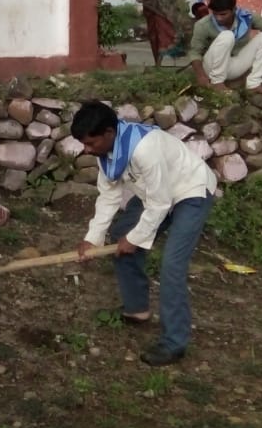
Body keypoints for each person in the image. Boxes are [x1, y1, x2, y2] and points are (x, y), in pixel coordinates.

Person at [71, 102, 216, 366]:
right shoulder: (107, 153)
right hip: (156, 191)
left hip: (190, 189)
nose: (87, 150)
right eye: (84, 144)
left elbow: (160, 203)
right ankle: (137, 309)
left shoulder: (144, 149)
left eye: (90, 143)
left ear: (109, 133)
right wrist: (93, 239)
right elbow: (109, 196)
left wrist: (135, 238)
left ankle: (174, 343)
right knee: (121, 233)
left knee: (172, 264)